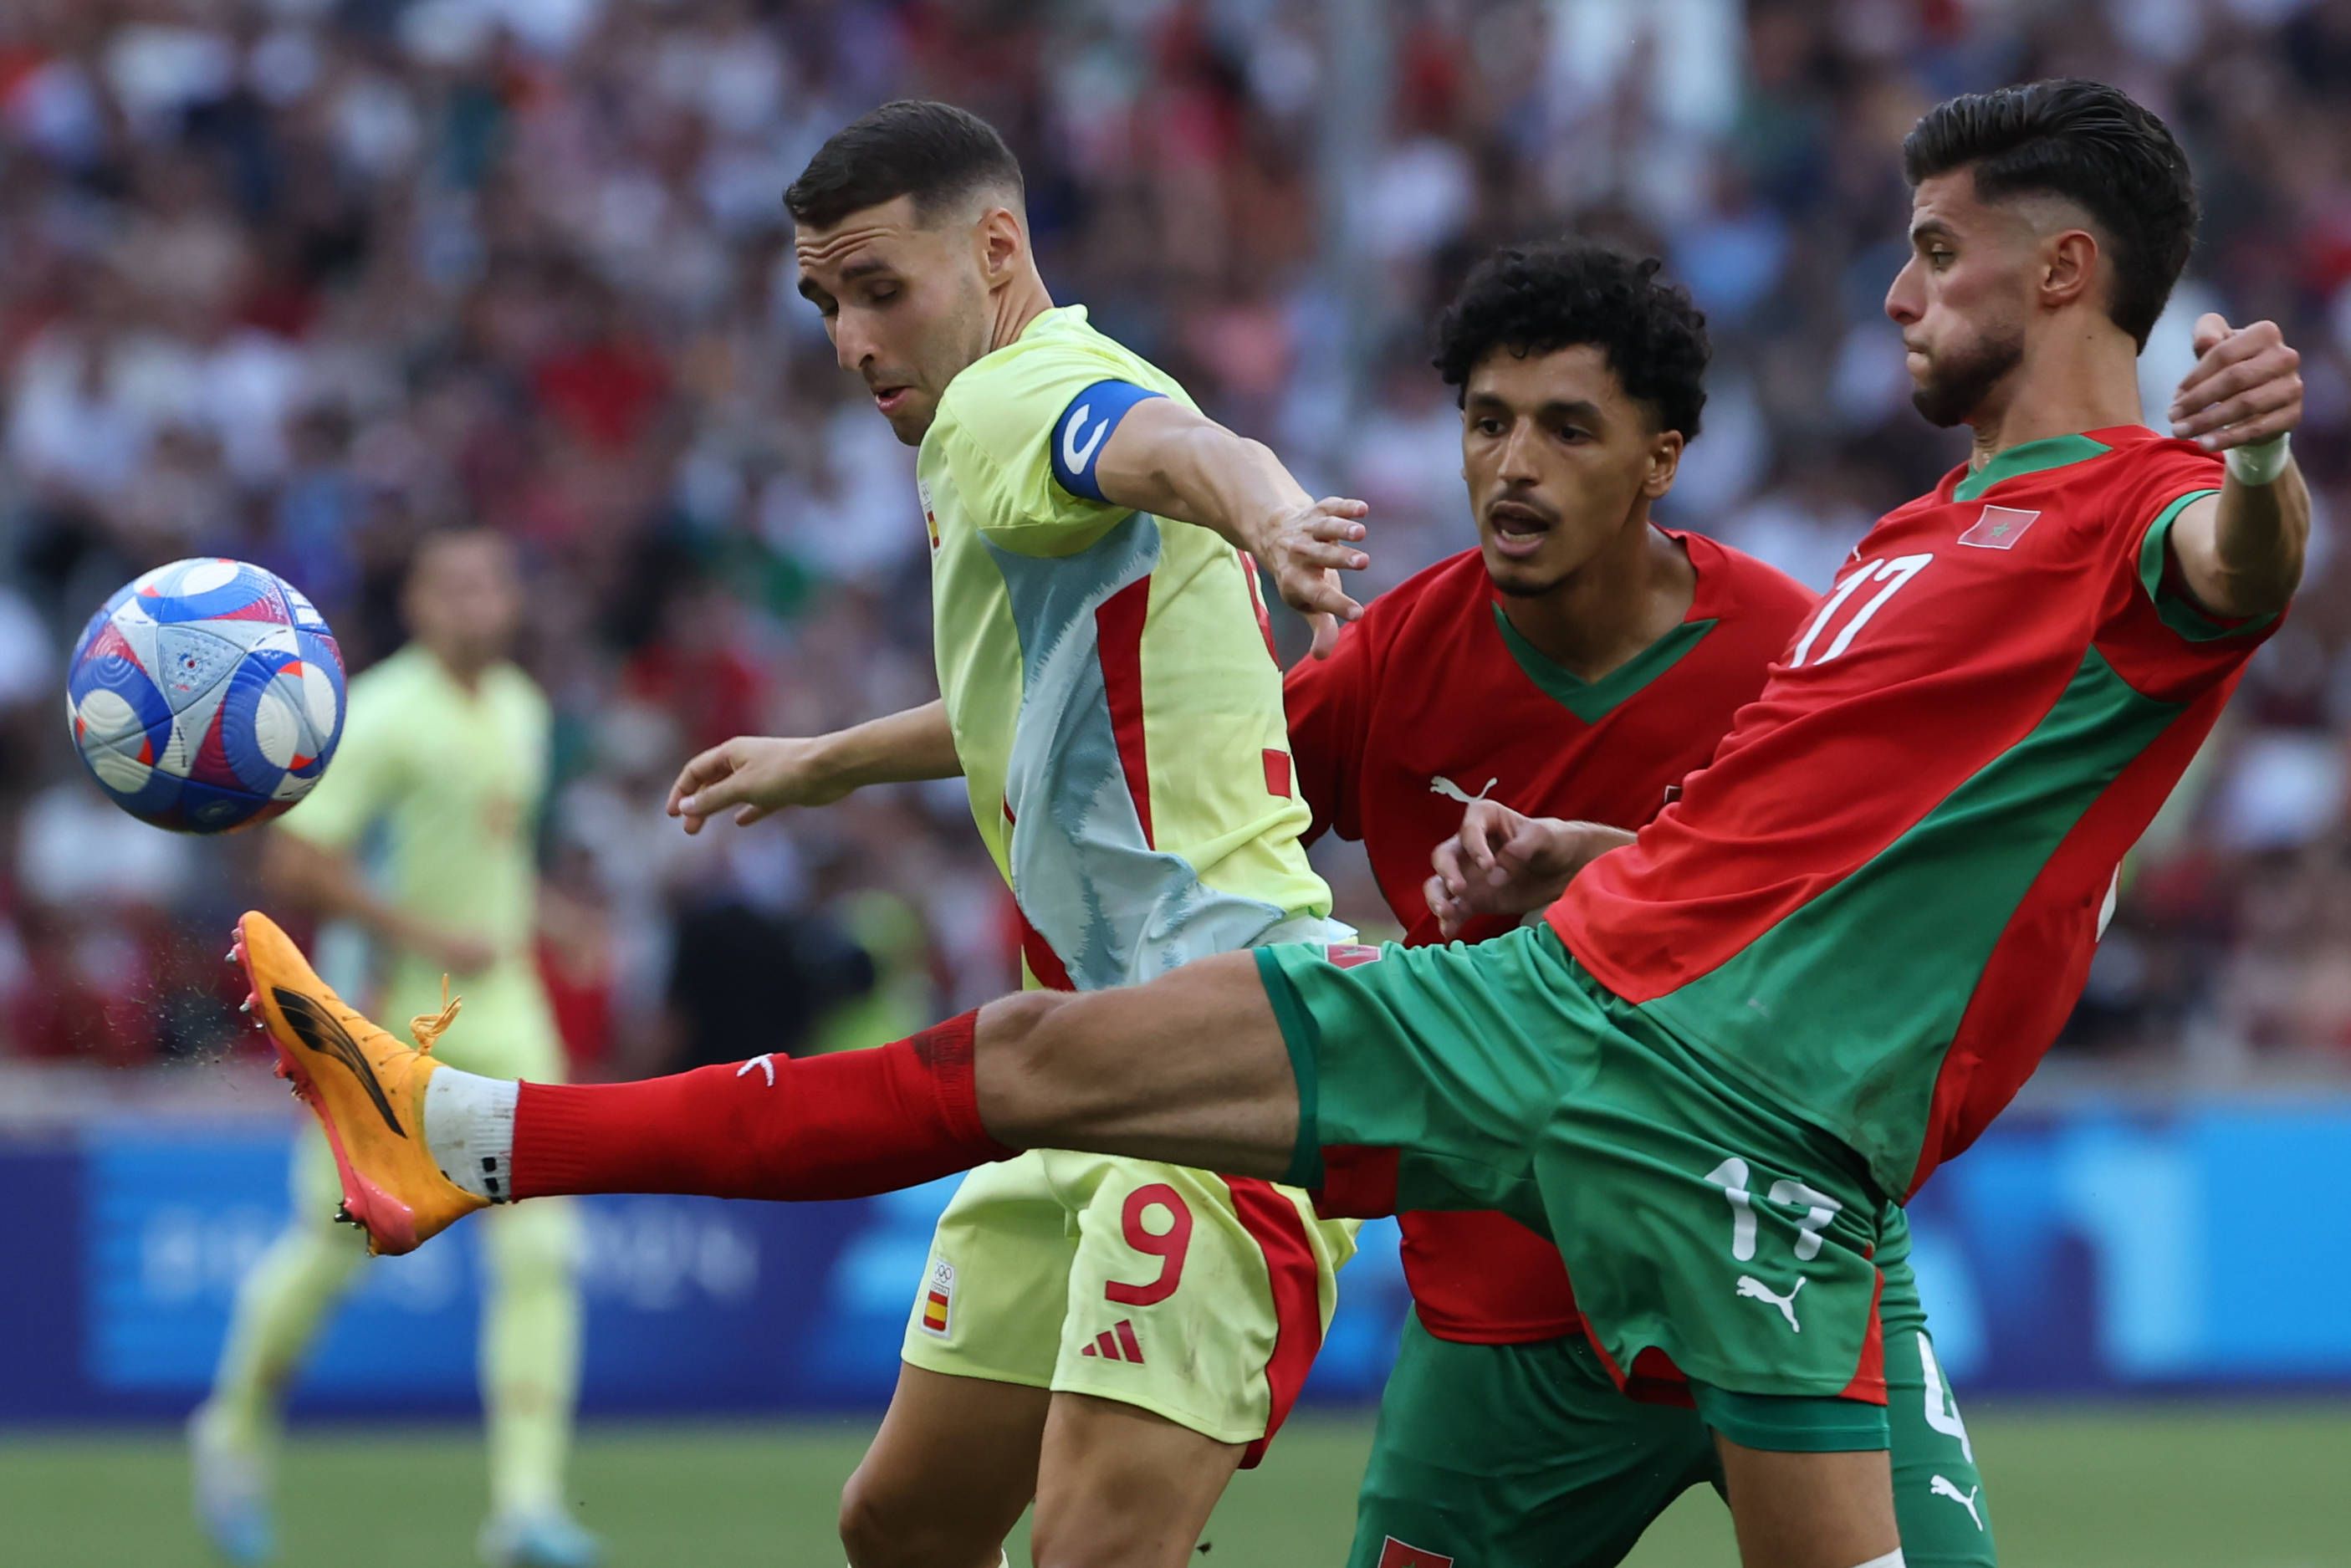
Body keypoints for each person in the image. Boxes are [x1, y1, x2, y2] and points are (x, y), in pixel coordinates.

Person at [234, 79, 2308, 1568]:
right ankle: (473, 1132)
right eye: (1480, 417)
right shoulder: (1900, 533)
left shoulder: (2122, 524)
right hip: (1556, 1024)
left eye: (1933, 250)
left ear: (2059, 269)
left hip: (1757, 1150)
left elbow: (2228, 580)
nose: (1889, 291)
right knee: (1034, 1066)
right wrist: (1570, 866)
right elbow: (1779, 833)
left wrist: (2257, 472)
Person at [665, 100, 1367, 1568]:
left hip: (1222, 1057)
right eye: (823, 304)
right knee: (904, 1522)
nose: (852, 341)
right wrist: (829, 763)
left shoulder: (1016, 396)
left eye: (877, 290)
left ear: (995, 250)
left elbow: (1177, 448)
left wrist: (1275, 514)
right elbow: (1035, 698)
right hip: (1086, 1065)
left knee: (1094, 1553)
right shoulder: (1009, 420)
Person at [1285, 241, 1994, 1567]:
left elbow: (1877, 927)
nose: (1512, 464)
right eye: (1485, 422)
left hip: (1782, 1259)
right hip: (1511, 1320)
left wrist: (1588, 870)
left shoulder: (1794, 653)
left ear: (1658, 458)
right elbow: (1215, 818)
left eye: (1565, 428)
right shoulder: (1393, 658)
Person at [192, 528, 597, 1568]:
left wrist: (545, 917)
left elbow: (486, 861)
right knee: (331, 1251)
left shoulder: (522, 709)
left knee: (544, 1252)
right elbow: (296, 865)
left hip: (507, 1011)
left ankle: (525, 1509)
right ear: (418, 603)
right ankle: (231, 1427)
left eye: (493, 580)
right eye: (453, 584)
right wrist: (429, 937)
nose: (477, 601)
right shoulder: (374, 716)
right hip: (388, 1017)